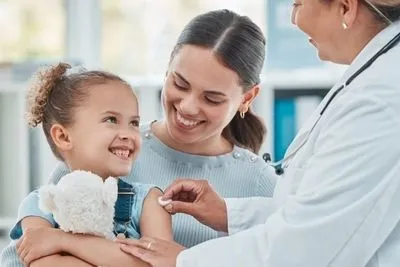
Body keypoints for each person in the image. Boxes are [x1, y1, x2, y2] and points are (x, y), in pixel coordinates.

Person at [115, 1, 400, 266]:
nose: (293, 17)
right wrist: (228, 213)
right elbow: (311, 218)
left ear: (346, 8)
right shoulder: (112, 153)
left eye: (298, 3)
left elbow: (309, 244)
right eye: (180, 82)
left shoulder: (380, 99)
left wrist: (186, 261)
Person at [6, 7, 277, 253]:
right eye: (180, 84)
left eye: (212, 98)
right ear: (167, 68)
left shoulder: (260, 184)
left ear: (247, 98)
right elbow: (24, 253)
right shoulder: (105, 150)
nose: (188, 106)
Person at [0, 63, 173, 267]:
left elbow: (162, 263)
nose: (128, 133)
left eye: (134, 122)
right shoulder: (40, 204)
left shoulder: (150, 201)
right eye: (111, 119)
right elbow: (42, 263)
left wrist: (62, 240)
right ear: (63, 136)